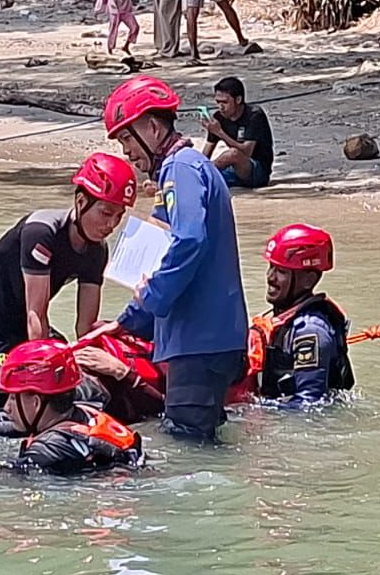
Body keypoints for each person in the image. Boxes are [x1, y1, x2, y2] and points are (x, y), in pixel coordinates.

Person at [105, 76, 248, 441]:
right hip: (207, 338)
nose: (126, 153)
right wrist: (126, 322)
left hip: (199, 341)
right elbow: (158, 254)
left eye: (125, 138)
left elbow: (189, 241)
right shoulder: (182, 170)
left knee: (189, 449)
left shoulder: (181, 169)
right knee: (200, 442)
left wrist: (152, 297)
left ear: (152, 128)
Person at [0, 153, 137, 373]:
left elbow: (84, 328)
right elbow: (36, 313)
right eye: (106, 213)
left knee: (68, 372)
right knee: (11, 383)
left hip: (23, 321)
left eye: (119, 216)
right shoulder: (41, 233)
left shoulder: (97, 252)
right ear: (80, 202)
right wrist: (41, 369)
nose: (112, 225)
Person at [0, 340, 144, 475]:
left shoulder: (46, 451)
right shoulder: (84, 412)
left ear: (35, 402)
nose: (7, 406)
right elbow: (18, 427)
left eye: (13, 398)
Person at [245, 224, 354, 409]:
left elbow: (309, 405)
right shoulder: (285, 319)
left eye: (281, 271)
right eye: (271, 267)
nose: (270, 277)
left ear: (308, 280)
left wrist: (250, 412)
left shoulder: (310, 331)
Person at [198, 76, 274, 188]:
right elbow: (207, 151)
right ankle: (198, 176)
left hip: (257, 170)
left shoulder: (254, 115)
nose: (221, 107)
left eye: (225, 102)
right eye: (218, 102)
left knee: (232, 154)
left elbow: (246, 151)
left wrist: (220, 132)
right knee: (206, 180)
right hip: (233, 170)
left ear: (238, 100)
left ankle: (199, 174)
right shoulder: (219, 117)